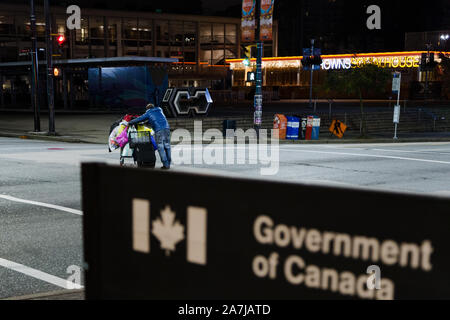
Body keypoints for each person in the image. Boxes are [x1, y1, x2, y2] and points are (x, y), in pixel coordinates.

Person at [128, 103, 171, 169]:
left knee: (160, 147)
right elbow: (156, 118)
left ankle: (165, 164)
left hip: (159, 130)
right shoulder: (160, 110)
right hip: (167, 128)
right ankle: (169, 163)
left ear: (147, 109)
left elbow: (140, 118)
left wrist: (130, 122)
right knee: (167, 146)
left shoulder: (148, 112)